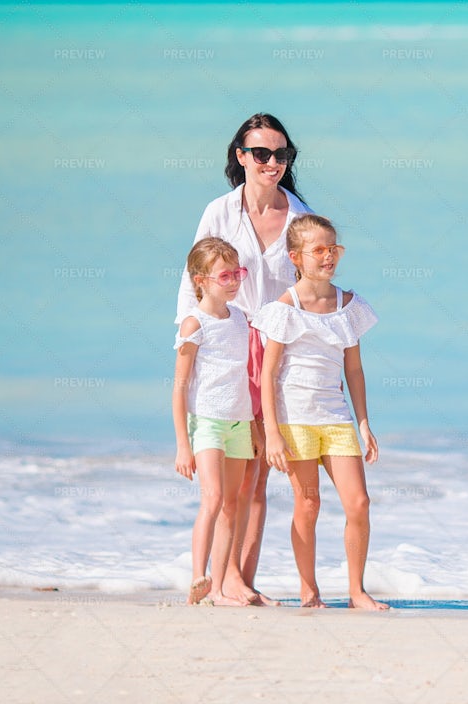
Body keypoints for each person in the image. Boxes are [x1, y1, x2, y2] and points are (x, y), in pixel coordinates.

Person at [175, 113, 313, 606]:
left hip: (276, 354)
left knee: (259, 475)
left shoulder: (300, 217)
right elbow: (193, 277)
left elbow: (309, 289)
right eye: (261, 154)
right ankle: (220, 578)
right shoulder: (219, 211)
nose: (271, 163)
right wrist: (190, 345)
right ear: (241, 156)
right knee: (232, 475)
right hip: (227, 351)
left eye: (281, 155)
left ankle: (239, 581)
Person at [252, 214, 388, 610]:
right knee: (308, 505)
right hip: (295, 421)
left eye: (333, 249)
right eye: (319, 251)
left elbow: (355, 370)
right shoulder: (285, 307)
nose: (328, 257)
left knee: (359, 503)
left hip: (336, 419)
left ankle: (357, 591)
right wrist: (272, 433)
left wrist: (364, 424)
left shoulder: (348, 305)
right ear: (296, 257)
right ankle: (309, 592)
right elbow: (268, 373)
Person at [173, 237, 260, 606]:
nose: (234, 281)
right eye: (225, 275)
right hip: (207, 421)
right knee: (213, 498)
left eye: (237, 273)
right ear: (201, 280)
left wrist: (256, 426)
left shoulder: (240, 318)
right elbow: (179, 388)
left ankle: (222, 588)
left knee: (234, 504)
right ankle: (199, 577)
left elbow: (247, 374)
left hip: (239, 422)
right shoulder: (195, 324)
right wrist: (182, 444)